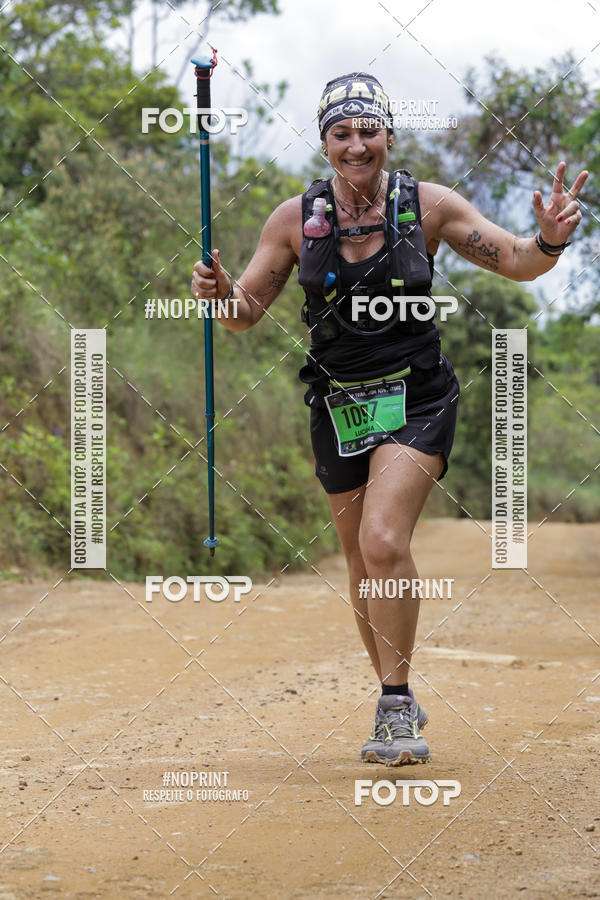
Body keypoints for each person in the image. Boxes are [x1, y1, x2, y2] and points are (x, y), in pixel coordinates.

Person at [191, 72, 588, 766]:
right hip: (337, 403)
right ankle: (391, 687)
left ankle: (396, 706)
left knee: (381, 540)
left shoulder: (428, 207)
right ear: (324, 142)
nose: (355, 145)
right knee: (358, 561)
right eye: (341, 133)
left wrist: (549, 240)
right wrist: (220, 293)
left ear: (388, 137)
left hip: (417, 399)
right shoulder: (292, 220)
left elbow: (519, 262)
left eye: (367, 131)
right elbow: (242, 318)